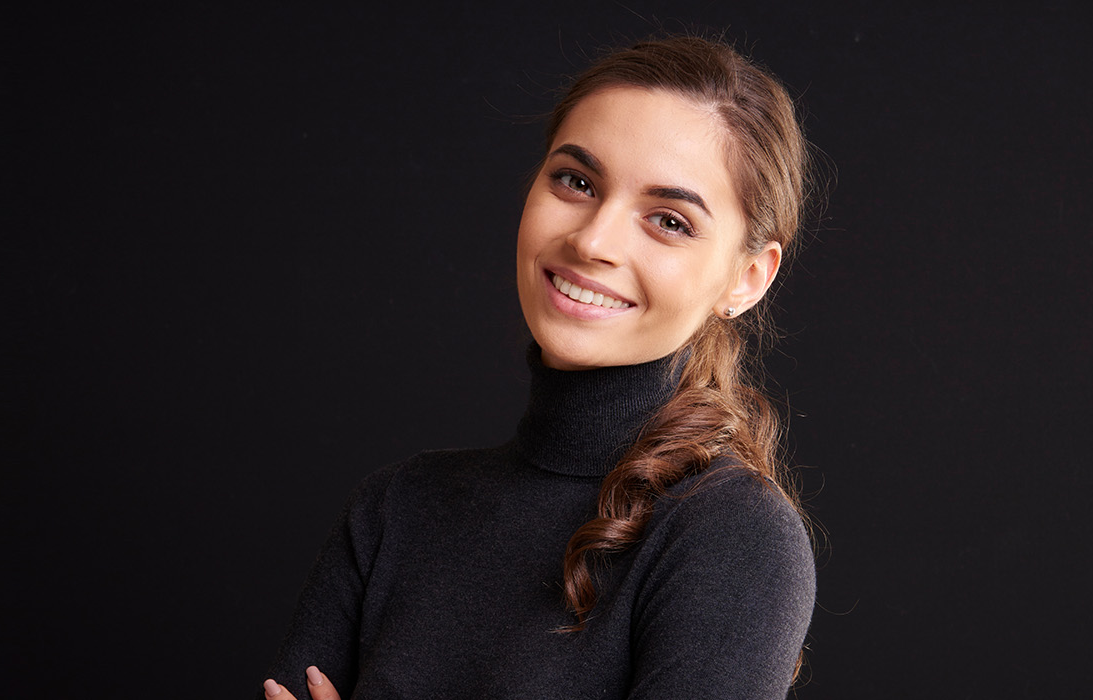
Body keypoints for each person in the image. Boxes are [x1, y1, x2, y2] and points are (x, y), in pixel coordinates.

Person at [261, 35, 819, 699]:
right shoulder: (397, 510)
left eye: (668, 220)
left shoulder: (735, 538)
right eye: (576, 181)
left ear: (747, 279)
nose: (592, 240)